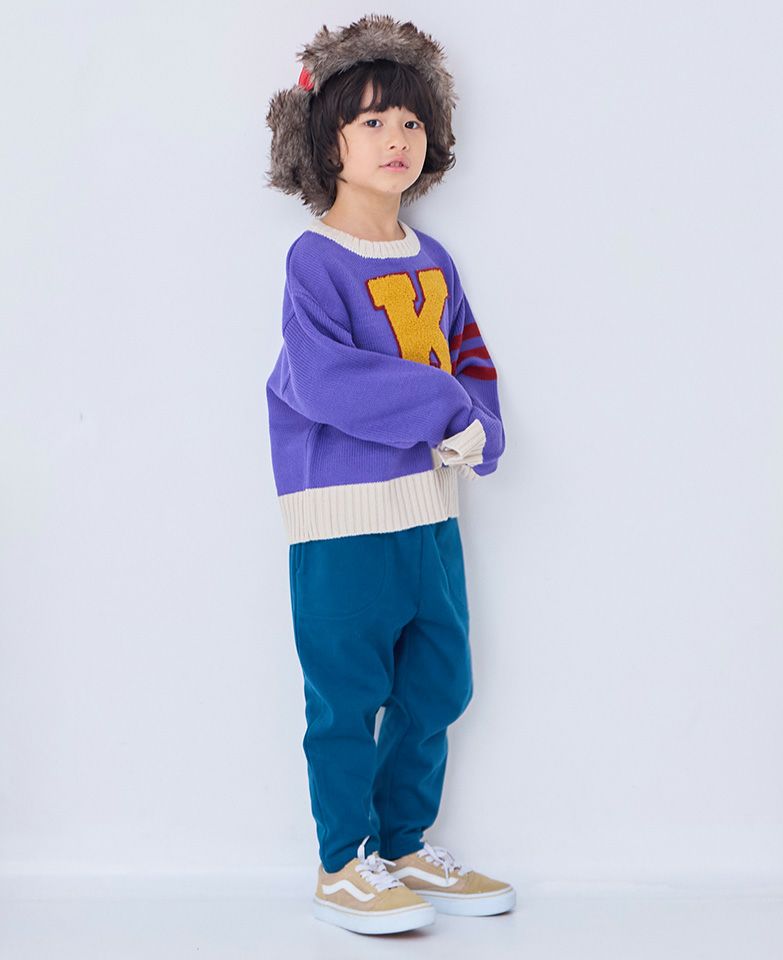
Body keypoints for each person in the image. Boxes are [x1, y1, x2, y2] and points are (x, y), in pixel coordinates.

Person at [263, 14, 514, 935]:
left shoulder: (434, 259)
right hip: (342, 521)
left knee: (439, 682)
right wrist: (444, 409)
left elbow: (469, 357)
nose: (395, 137)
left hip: (430, 515)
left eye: (409, 121)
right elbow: (321, 378)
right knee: (346, 694)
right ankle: (342, 863)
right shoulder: (314, 260)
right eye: (370, 121)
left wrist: (483, 428)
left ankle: (403, 846)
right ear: (324, 140)